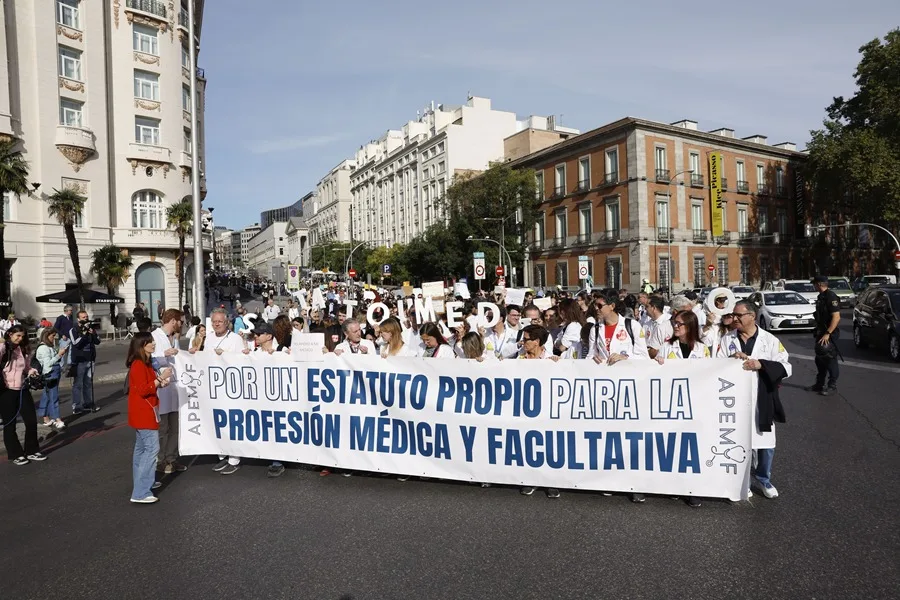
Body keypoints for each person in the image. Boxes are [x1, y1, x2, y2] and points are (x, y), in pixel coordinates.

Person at [717, 300, 791, 500]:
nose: (734, 319)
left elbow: (786, 367)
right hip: (734, 399)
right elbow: (716, 364)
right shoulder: (727, 340)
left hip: (761, 399)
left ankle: (764, 479)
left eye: (739, 315)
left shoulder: (770, 340)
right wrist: (731, 360)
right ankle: (743, 481)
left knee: (765, 444)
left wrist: (761, 364)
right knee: (740, 441)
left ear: (752, 316)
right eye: (733, 315)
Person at [126, 332, 171, 504]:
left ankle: (144, 482)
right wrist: (161, 378)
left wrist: (160, 381)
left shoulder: (145, 363)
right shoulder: (138, 364)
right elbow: (144, 390)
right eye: (149, 342)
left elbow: (150, 383)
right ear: (141, 346)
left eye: (152, 342)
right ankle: (141, 492)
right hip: (144, 412)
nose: (153, 344)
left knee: (142, 450)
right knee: (152, 449)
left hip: (144, 410)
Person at [517, 324, 560, 499]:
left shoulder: (552, 360)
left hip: (547, 411)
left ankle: (551, 482)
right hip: (525, 409)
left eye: (526, 339)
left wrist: (559, 365)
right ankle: (530, 479)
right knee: (528, 444)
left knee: (549, 445)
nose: (523, 342)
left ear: (536, 342)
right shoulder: (518, 359)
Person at [205, 308, 249, 475]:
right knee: (218, 420)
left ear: (226, 323)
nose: (216, 324)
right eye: (214, 322)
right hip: (214, 387)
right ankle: (222, 454)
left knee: (232, 421)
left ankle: (234, 458)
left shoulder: (235, 339)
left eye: (220, 321)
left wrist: (225, 355)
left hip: (231, 386)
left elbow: (242, 361)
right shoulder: (208, 338)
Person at [0, 325, 46, 465]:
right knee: (10, 424)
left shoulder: (23, 349)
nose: (20, 339)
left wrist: (31, 370)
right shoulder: (4, 348)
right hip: (6, 390)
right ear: (10, 334)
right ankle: (16, 454)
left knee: (31, 421)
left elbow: (25, 366)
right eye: (17, 335)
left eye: (22, 336)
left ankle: (31, 451)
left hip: (22, 388)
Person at [152, 309, 186, 475]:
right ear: (173, 321)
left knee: (175, 427)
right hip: (162, 387)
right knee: (162, 427)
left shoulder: (174, 339)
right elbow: (145, 359)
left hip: (175, 386)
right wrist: (163, 353)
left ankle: (172, 459)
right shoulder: (154, 336)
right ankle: (160, 459)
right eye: (181, 321)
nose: (182, 324)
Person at [807, 275, 841, 396]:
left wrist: (828, 334)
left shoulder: (830, 296)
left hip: (829, 334)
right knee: (819, 359)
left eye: (815, 284)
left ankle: (832, 385)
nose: (814, 286)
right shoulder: (821, 297)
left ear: (820, 284)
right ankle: (819, 384)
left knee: (830, 358)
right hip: (821, 332)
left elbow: (836, 317)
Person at [69, 310, 101, 415]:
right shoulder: (73, 329)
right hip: (80, 360)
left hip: (90, 359)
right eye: (83, 317)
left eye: (86, 317)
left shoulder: (90, 328)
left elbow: (98, 341)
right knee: (78, 384)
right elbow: (75, 343)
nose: (85, 319)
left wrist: (93, 334)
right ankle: (77, 405)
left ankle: (88, 403)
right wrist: (83, 334)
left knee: (88, 383)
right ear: (78, 319)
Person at [36, 328, 67, 430]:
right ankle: (57, 419)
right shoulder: (44, 348)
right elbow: (48, 364)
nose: (54, 338)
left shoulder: (48, 347)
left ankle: (46, 418)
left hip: (53, 372)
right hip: (50, 373)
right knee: (53, 396)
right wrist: (59, 355)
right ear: (46, 335)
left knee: (47, 395)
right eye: (52, 336)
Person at [53, 305, 75, 371]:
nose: (71, 311)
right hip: (64, 338)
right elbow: (55, 328)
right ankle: (61, 366)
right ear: (66, 310)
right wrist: (62, 335)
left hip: (70, 337)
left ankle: (69, 365)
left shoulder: (71, 318)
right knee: (63, 352)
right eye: (70, 310)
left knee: (70, 352)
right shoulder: (60, 318)